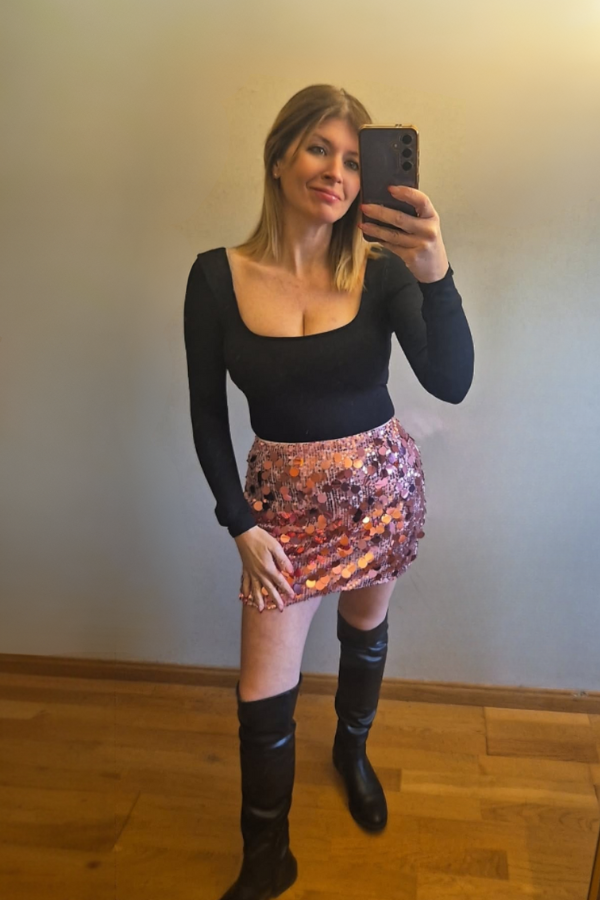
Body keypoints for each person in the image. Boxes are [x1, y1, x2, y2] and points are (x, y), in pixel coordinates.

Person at [183, 84, 474, 900]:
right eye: (319, 148)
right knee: (261, 695)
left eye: (353, 158)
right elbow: (206, 413)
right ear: (279, 157)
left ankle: (352, 750)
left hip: (381, 493)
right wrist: (239, 523)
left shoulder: (383, 271)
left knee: (364, 631)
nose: (337, 172)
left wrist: (436, 272)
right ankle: (266, 858)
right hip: (278, 514)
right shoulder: (214, 277)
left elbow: (451, 381)